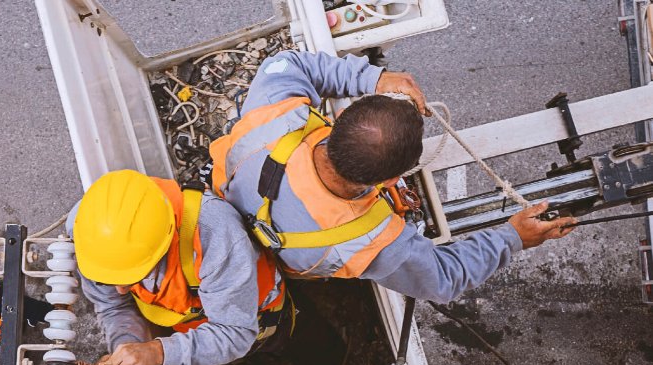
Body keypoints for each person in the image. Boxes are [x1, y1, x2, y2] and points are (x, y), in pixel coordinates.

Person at [210, 50, 576, 302]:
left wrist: (374, 78)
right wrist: (514, 237)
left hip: (233, 199)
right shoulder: (369, 242)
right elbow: (443, 278)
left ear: (337, 122)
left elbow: (287, 63)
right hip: (283, 264)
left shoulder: (277, 119)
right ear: (390, 183)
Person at [69, 170, 293, 365]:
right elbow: (113, 306)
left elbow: (235, 332)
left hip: (260, 318)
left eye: (134, 278)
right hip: (192, 327)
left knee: (297, 348)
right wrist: (126, 352)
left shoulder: (214, 234)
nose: (121, 291)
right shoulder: (92, 233)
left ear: (166, 242)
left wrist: (158, 351)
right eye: (108, 280)